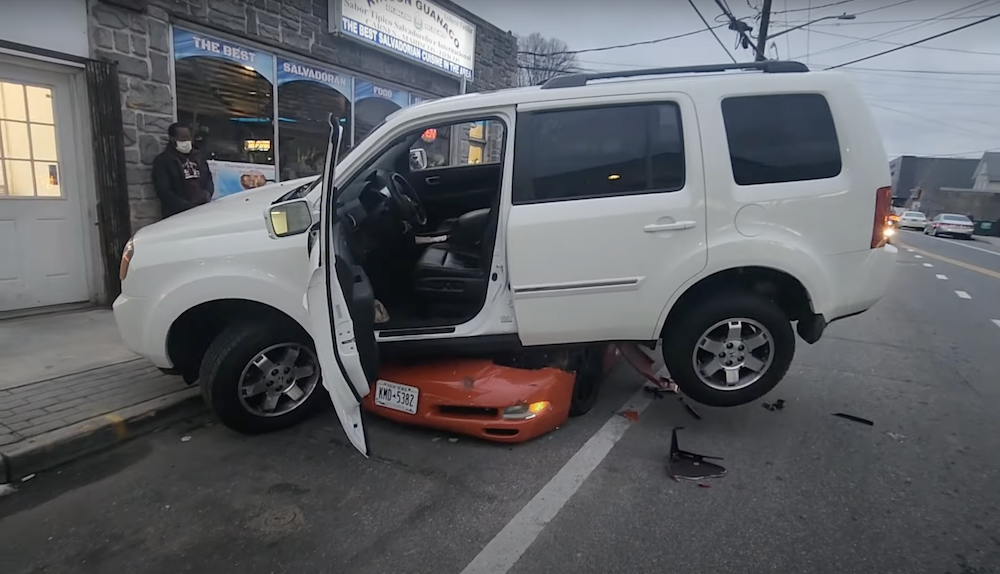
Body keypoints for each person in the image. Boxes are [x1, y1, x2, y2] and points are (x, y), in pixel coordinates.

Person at [152, 123, 214, 217]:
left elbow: (208, 178)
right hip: (178, 214)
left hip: (203, 210)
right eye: (182, 138)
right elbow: (164, 191)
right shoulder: (163, 160)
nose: (187, 141)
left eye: (189, 138)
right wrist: (187, 206)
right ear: (173, 139)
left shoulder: (198, 156)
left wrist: (207, 194)